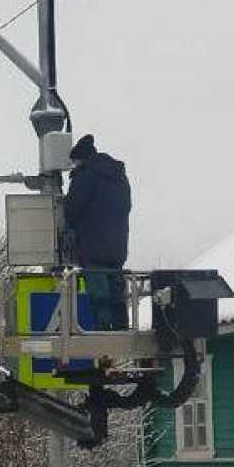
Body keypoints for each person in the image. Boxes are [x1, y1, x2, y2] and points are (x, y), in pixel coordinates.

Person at [64, 134, 132, 331]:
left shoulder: (85, 175)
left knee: (99, 296)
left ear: (81, 159)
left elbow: (73, 208)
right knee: (117, 294)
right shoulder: (118, 176)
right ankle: (121, 331)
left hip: (92, 247)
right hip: (118, 247)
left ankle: (103, 333)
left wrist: (72, 229)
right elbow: (126, 206)